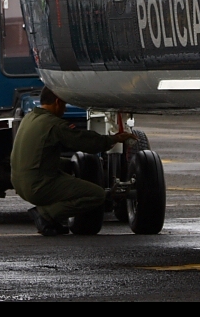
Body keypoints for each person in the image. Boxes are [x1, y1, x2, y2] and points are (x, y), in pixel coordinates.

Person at [10, 86, 135, 236]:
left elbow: (41, 156)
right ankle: (45, 215)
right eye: (63, 105)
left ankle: (52, 220)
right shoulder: (53, 124)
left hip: (19, 183)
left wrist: (70, 166)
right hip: (37, 187)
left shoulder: (30, 118)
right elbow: (84, 142)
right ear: (57, 102)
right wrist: (112, 139)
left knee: (68, 165)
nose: (65, 110)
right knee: (97, 195)